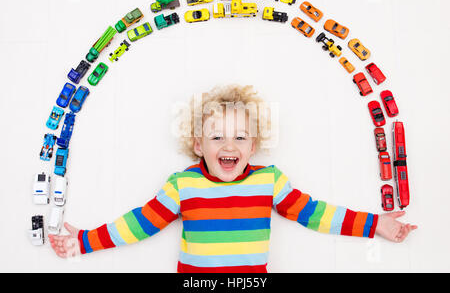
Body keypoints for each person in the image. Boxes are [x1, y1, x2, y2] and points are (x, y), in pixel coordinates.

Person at [49, 84, 417, 272]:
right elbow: (139, 224)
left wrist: (375, 225)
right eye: (217, 137)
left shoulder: (269, 182)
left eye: (240, 137)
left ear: (253, 146)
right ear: (198, 145)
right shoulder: (183, 185)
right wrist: (83, 242)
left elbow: (317, 213)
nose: (230, 144)